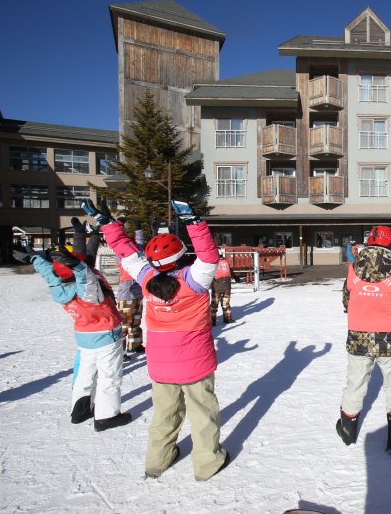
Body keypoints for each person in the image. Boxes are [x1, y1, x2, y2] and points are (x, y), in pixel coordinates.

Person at [82, 198, 229, 481]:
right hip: (195, 364)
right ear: (179, 256)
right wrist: (194, 222)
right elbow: (209, 255)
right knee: (202, 415)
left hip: (161, 365)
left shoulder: (147, 278)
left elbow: (125, 252)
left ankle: (157, 461)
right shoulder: (194, 279)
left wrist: (107, 224)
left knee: (164, 414)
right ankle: (207, 464)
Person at [12, 228, 130, 432]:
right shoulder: (87, 292)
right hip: (105, 336)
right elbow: (86, 277)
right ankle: (106, 416)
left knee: (85, 373)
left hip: (84, 336)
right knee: (109, 376)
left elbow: (49, 272)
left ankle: (80, 411)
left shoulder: (58, 285)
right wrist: (76, 264)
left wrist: (33, 258)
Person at [336, 225, 391, 453]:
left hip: (358, 335)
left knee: (356, 382)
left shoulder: (354, 265)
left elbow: (346, 297)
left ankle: (347, 429)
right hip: (390, 337)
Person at [112, 217, 146, 358]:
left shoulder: (136, 251)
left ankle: (135, 344)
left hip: (138, 289)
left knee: (136, 321)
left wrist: (139, 229)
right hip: (127, 291)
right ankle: (120, 351)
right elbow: (120, 239)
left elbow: (140, 244)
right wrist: (121, 226)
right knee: (125, 323)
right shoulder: (120, 253)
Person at [210, 248, 235, 326]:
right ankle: (228, 318)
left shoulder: (213, 263)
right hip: (227, 286)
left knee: (214, 304)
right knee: (226, 303)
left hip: (216, 286)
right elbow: (231, 272)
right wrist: (236, 278)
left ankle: (212, 321)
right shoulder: (226, 262)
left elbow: (209, 275)